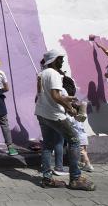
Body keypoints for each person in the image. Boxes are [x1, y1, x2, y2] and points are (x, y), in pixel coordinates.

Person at [35, 49, 95, 190]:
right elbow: (55, 96)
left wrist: (65, 98)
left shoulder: (41, 74)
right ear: (54, 60)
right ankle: (75, 179)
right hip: (55, 115)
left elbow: (43, 95)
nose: (62, 61)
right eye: (60, 59)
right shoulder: (55, 74)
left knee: (48, 146)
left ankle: (47, 179)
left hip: (41, 113)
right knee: (74, 140)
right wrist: (69, 108)